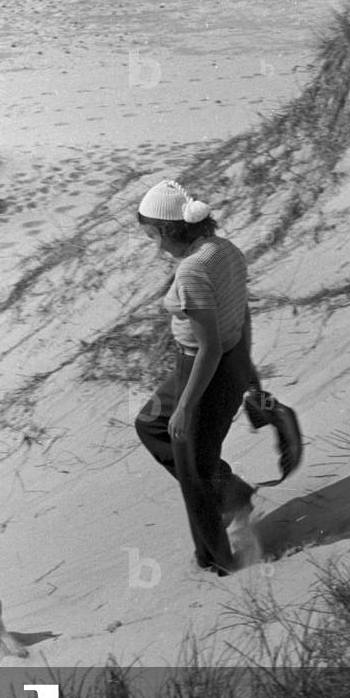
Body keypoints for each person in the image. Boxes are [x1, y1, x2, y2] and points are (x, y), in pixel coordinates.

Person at [134, 179, 258, 575]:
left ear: (171, 229)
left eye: (154, 235)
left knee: (192, 474)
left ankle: (220, 562)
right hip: (230, 361)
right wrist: (249, 369)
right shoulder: (225, 250)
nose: (155, 247)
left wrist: (186, 408)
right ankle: (231, 490)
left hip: (206, 371)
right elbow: (241, 313)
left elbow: (209, 348)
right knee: (151, 423)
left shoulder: (191, 270)